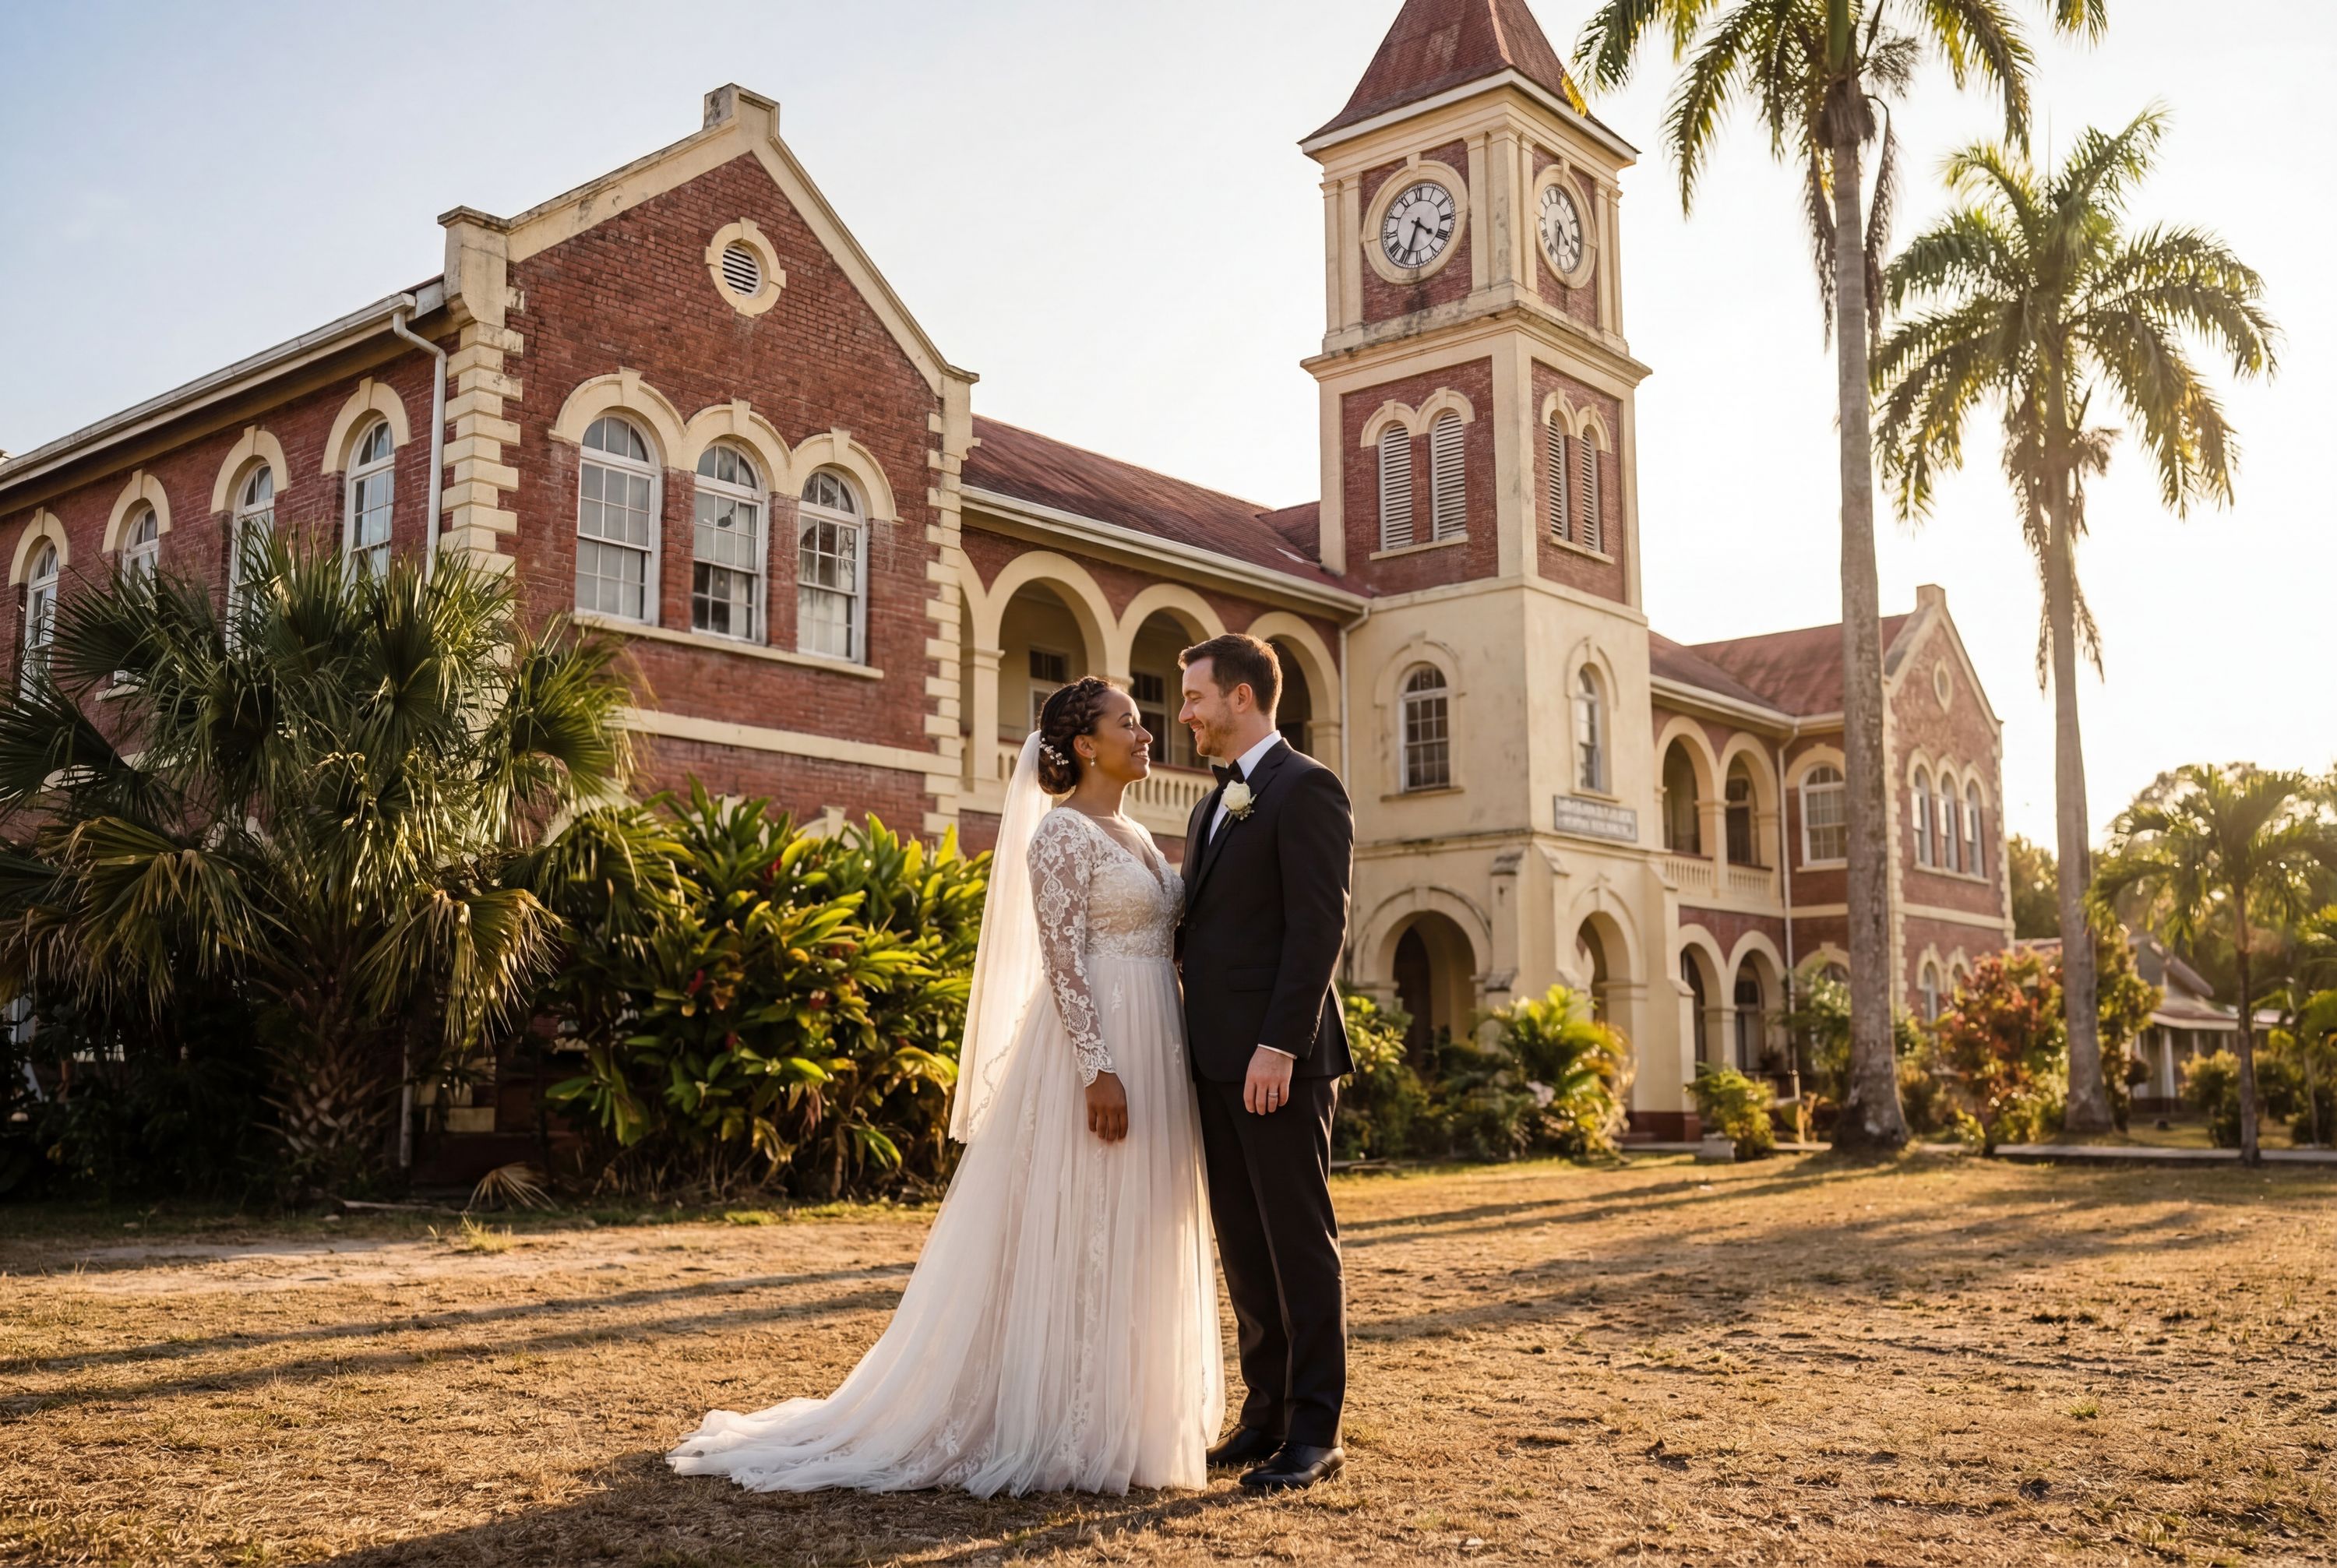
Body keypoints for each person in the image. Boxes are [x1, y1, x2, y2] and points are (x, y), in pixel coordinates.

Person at [668, 677, 1223, 1496]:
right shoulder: (1061, 835)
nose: (1147, 734)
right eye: (1130, 723)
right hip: (1098, 1047)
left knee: (1137, 1222)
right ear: (1084, 745)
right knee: (1084, 1217)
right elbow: (1062, 959)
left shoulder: (1139, 833)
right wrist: (1097, 1067)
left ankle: (1129, 1415)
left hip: (1157, 1042)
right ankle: (1061, 1419)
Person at [1175, 632, 1355, 1492]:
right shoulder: (1211, 804)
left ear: (1240, 697)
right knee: (1245, 1245)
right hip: (1213, 1058)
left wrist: (1278, 1045)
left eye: (1194, 697)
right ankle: (1266, 1414)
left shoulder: (1307, 787)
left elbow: (1318, 927)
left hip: (1280, 1060)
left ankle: (1316, 1431)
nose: (1185, 714)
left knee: (1297, 1242)